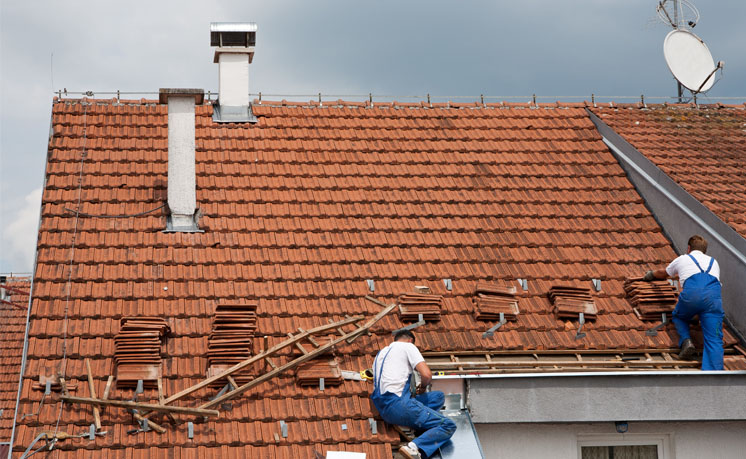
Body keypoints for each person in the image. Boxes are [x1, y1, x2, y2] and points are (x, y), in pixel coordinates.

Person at [370, 330, 456, 459]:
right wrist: (423, 386)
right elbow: (426, 375)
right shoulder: (408, 346)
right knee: (448, 425)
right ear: (410, 340)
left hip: (383, 407)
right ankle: (413, 447)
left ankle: (421, 428)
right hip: (400, 406)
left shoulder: (381, 353)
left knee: (437, 396)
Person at [643, 235, 724, 370]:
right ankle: (715, 376)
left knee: (678, 316)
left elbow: (664, 273)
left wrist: (651, 274)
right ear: (704, 250)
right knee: (714, 339)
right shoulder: (713, 262)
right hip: (713, 299)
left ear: (688, 248)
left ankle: (686, 340)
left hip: (692, 295)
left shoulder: (683, 259)